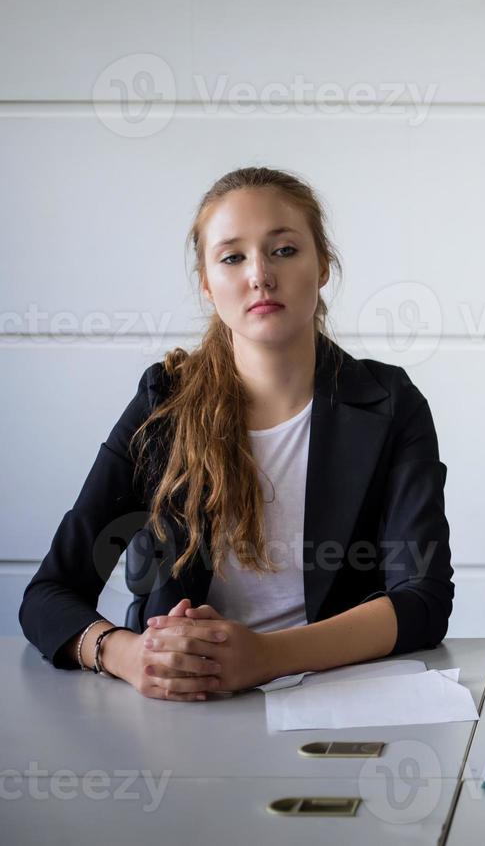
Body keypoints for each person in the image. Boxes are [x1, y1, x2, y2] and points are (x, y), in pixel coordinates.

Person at [19, 167, 454, 700]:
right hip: (183, 710)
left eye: (284, 250)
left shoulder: (389, 402)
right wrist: (129, 655)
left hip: (336, 698)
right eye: (232, 258)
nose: (260, 276)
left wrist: (267, 657)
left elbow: (423, 600)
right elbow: (50, 593)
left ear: (323, 266)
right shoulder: (164, 403)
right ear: (207, 282)